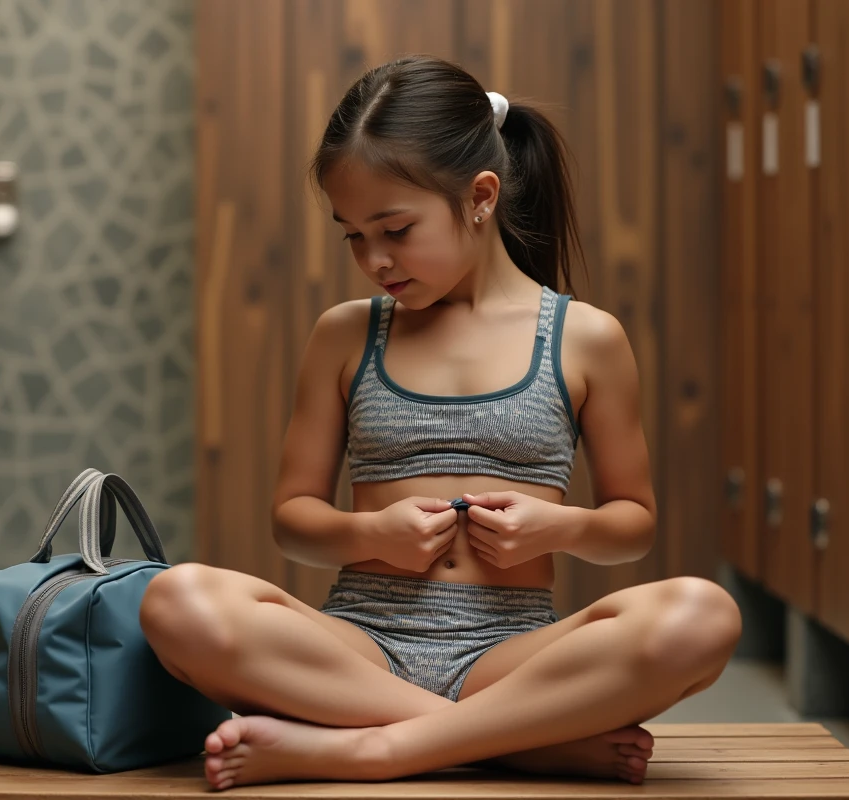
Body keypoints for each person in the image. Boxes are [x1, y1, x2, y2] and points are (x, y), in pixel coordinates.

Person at [139, 55, 742, 791]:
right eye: (353, 236)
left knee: (701, 617)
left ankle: (377, 748)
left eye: (395, 229)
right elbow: (292, 519)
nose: (374, 259)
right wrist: (369, 534)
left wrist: (558, 528)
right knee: (178, 601)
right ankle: (513, 742)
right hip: (358, 648)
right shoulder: (345, 334)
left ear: (481, 197)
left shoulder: (585, 338)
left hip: (514, 657)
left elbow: (633, 522)